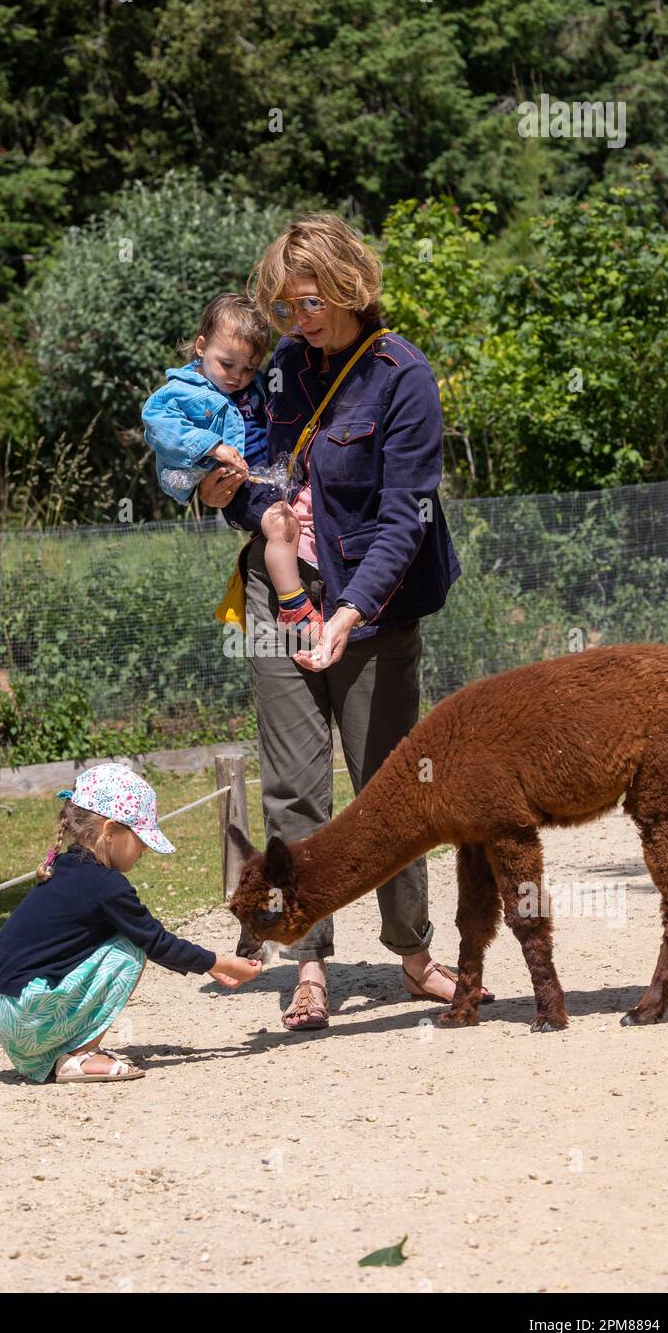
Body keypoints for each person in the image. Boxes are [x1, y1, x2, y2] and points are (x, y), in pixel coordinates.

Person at [199, 213, 493, 1030]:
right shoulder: (287, 366)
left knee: (391, 786)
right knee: (293, 782)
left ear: (351, 284)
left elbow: (406, 518)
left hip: (374, 604)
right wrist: (229, 495)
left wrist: (349, 612)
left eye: (313, 302)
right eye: (289, 306)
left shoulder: (404, 376)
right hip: (277, 592)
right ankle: (311, 961)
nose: (300, 321)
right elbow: (265, 473)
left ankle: (412, 951)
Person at [0, 763, 260, 1083]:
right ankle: (79, 1057)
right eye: (140, 838)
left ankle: (59, 1051)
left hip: (3, 1009)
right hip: (26, 1015)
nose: (144, 849)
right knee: (129, 949)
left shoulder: (66, 866)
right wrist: (220, 963)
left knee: (122, 940)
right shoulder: (105, 885)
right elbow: (155, 941)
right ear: (110, 831)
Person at [143, 292, 322, 641]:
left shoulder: (252, 383)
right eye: (227, 364)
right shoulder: (181, 392)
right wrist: (212, 445)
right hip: (237, 485)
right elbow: (156, 422)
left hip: (266, 477)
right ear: (200, 347)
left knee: (301, 515)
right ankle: (294, 605)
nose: (237, 376)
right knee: (280, 523)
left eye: (248, 368)